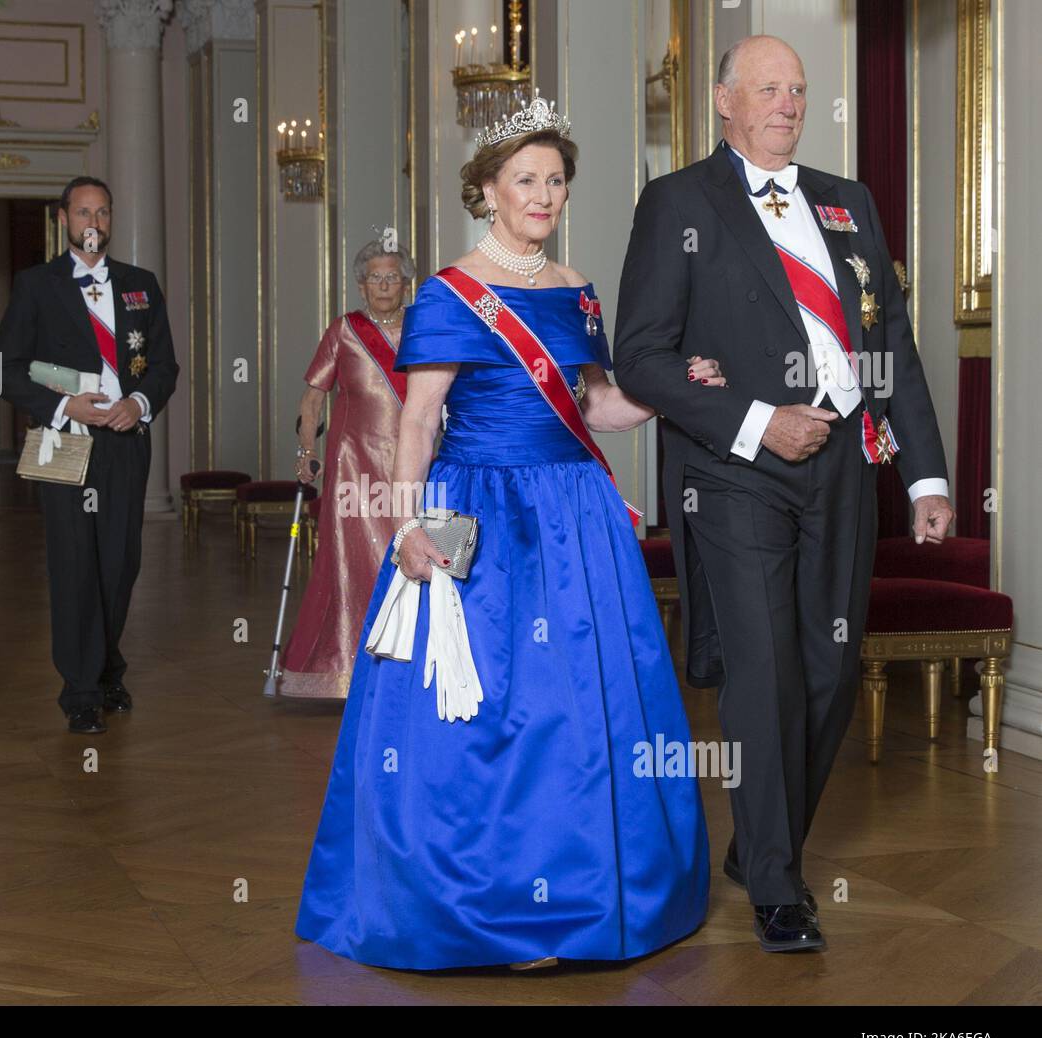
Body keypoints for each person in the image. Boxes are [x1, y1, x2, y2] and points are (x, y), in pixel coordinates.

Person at [295, 98, 726, 970]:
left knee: (580, 709)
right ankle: (478, 903)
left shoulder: (575, 290)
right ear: (487, 190)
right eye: (525, 179)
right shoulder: (448, 293)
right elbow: (418, 423)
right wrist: (409, 527)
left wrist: (676, 384)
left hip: (573, 514)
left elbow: (597, 404)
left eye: (556, 180)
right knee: (484, 708)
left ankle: (579, 894)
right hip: (478, 517)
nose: (543, 194)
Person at [612, 36, 954, 952]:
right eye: (768, 89)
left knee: (829, 670)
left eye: (798, 90)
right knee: (763, 675)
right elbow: (638, 355)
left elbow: (894, 348)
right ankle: (776, 882)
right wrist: (759, 419)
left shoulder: (850, 202)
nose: (788, 104)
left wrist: (924, 473)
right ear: (724, 101)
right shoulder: (679, 201)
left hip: (842, 466)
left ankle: (764, 837)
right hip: (734, 473)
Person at [0, 176, 179, 734]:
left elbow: (165, 365)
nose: (92, 221)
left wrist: (140, 402)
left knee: (120, 563)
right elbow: (6, 367)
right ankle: (79, 688)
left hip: (124, 441)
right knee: (74, 563)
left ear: (111, 219)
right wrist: (65, 406)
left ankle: (106, 665)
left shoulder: (139, 284)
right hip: (61, 441)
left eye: (101, 212)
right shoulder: (36, 285)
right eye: (82, 212)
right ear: (64, 220)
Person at [280, 240, 415, 698]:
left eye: (391, 277)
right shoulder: (344, 331)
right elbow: (313, 399)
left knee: (406, 559)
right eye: (375, 277)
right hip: (354, 465)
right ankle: (349, 666)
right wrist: (305, 452)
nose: (383, 285)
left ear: (405, 283)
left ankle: (407, 667)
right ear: (361, 285)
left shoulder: (422, 329)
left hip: (412, 464)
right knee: (356, 563)